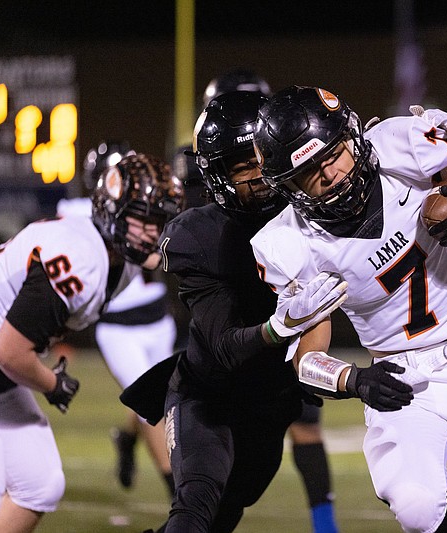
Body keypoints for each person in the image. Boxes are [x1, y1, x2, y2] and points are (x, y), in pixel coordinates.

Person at [251, 86, 447, 533]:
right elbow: (306, 360)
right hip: (401, 376)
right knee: (415, 507)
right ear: (289, 187)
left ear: (351, 137)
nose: (331, 174)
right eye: (311, 172)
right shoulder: (291, 243)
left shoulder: (401, 147)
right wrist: (354, 380)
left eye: (333, 154)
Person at [123, 90, 409, 533]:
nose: (262, 175)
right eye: (244, 168)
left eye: (265, 158)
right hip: (209, 395)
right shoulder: (200, 237)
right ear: (219, 178)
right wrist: (281, 326)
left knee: (222, 518)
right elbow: (223, 348)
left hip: (272, 403)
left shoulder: (314, 213)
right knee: (194, 510)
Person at [0, 153, 184, 533]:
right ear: (113, 211)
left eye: (160, 220)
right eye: (144, 219)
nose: (154, 231)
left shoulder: (122, 259)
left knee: (40, 484)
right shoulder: (80, 258)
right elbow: (10, 351)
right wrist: (53, 384)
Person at [202, 68, 344, 533]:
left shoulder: (293, 182)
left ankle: (325, 526)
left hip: (291, 316)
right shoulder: (210, 210)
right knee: (220, 447)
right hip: (244, 335)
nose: (256, 168)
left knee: (301, 421)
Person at [58, 141, 177, 497]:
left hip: (158, 318)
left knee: (162, 395)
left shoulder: (148, 204)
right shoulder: (77, 212)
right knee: (151, 408)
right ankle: (180, 494)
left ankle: (127, 440)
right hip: (117, 327)